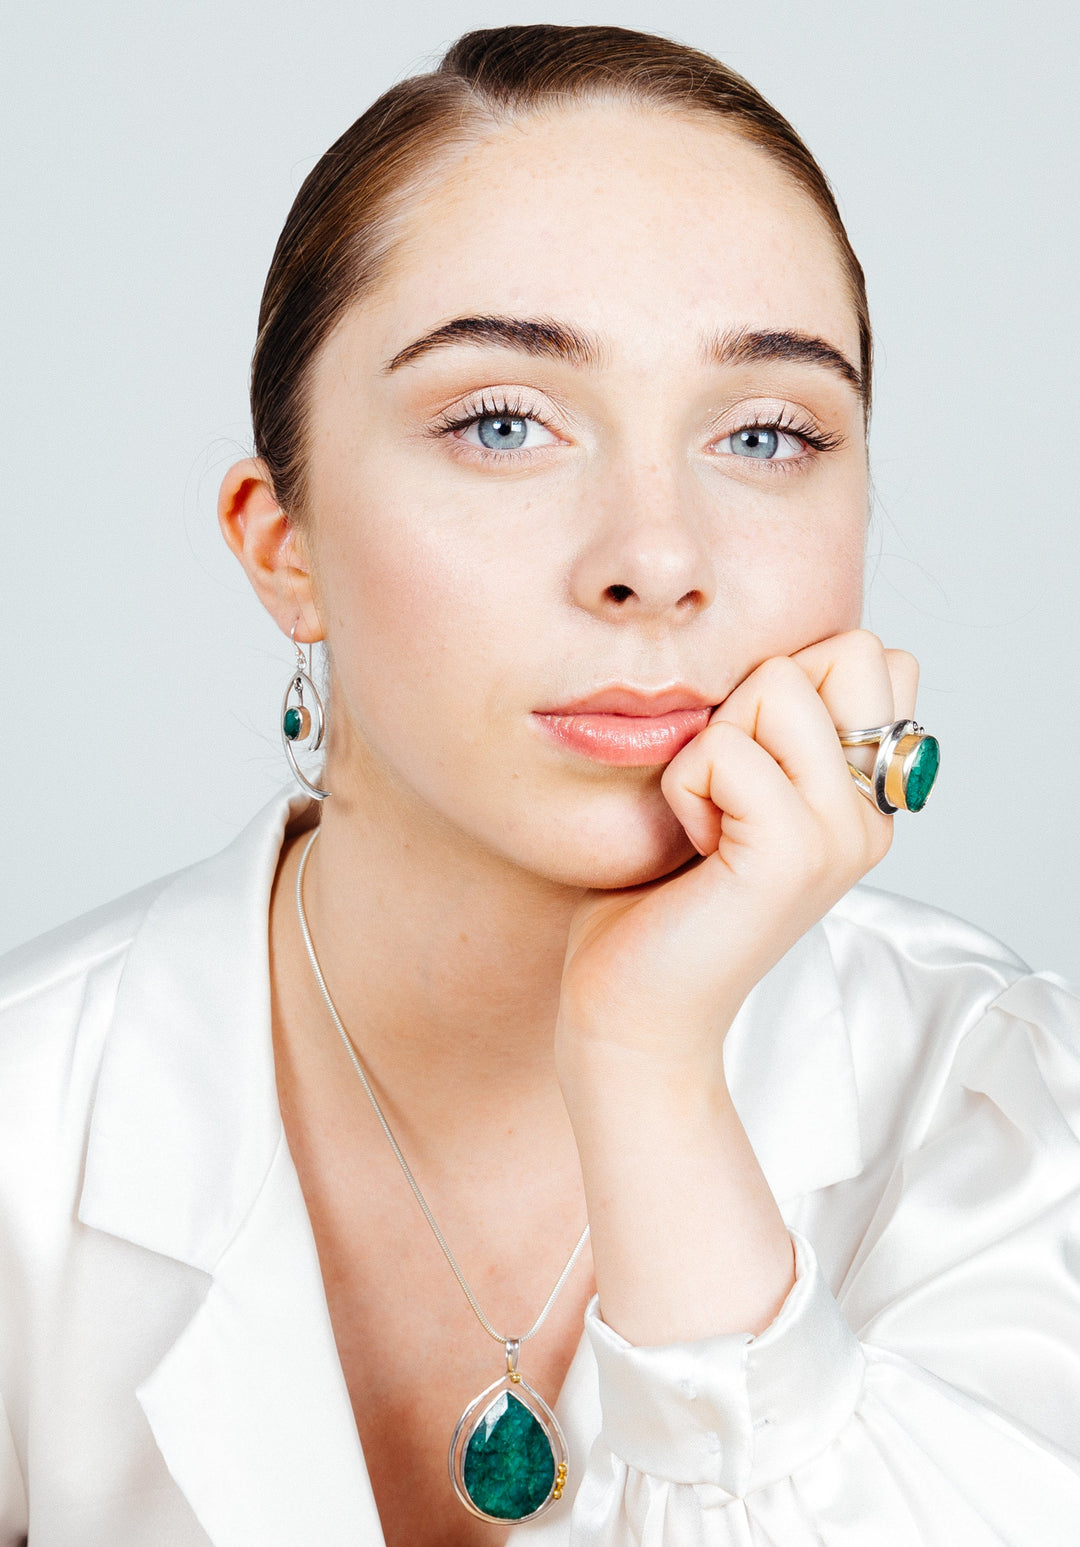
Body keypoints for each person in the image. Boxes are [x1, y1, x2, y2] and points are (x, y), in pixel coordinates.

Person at [1, 22, 1078, 1546]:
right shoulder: (27, 1126)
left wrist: (646, 1058)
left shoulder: (1006, 1122)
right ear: (280, 544)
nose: (656, 557)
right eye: (504, 423)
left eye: (767, 433)